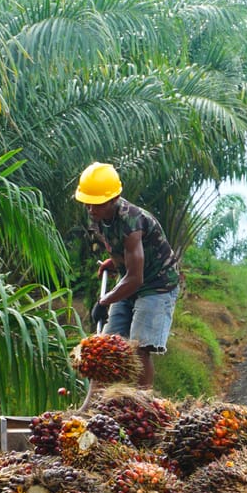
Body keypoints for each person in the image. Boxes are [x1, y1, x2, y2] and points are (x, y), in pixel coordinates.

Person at [76, 161, 181, 389]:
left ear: (113, 200)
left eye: (97, 204)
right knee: (106, 349)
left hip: (156, 285)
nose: (91, 209)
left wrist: (104, 301)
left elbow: (136, 278)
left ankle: (141, 405)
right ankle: (95, 408)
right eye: (88, 204)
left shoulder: (131, 221)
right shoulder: (98, 216)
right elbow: (122, 249)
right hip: (130, 282)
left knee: (137, 347)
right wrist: (114, 262)